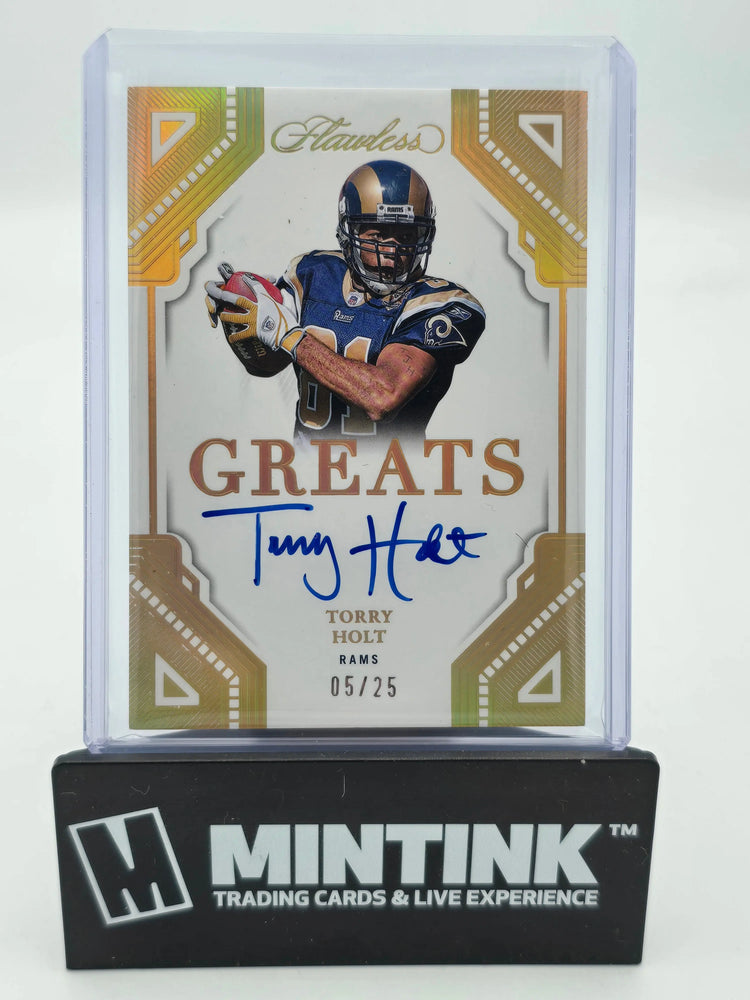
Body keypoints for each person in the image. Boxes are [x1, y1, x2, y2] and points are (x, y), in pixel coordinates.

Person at [205, 159, 485, 443]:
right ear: (349, 232)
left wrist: (290, 337)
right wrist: (243, 320)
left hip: (388, 469)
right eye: (378, 235)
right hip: (307, 467)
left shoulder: (442, 304)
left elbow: (382, 397)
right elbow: (265, 367)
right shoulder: (313, 274)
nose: (392, 251)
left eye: (405, 235)